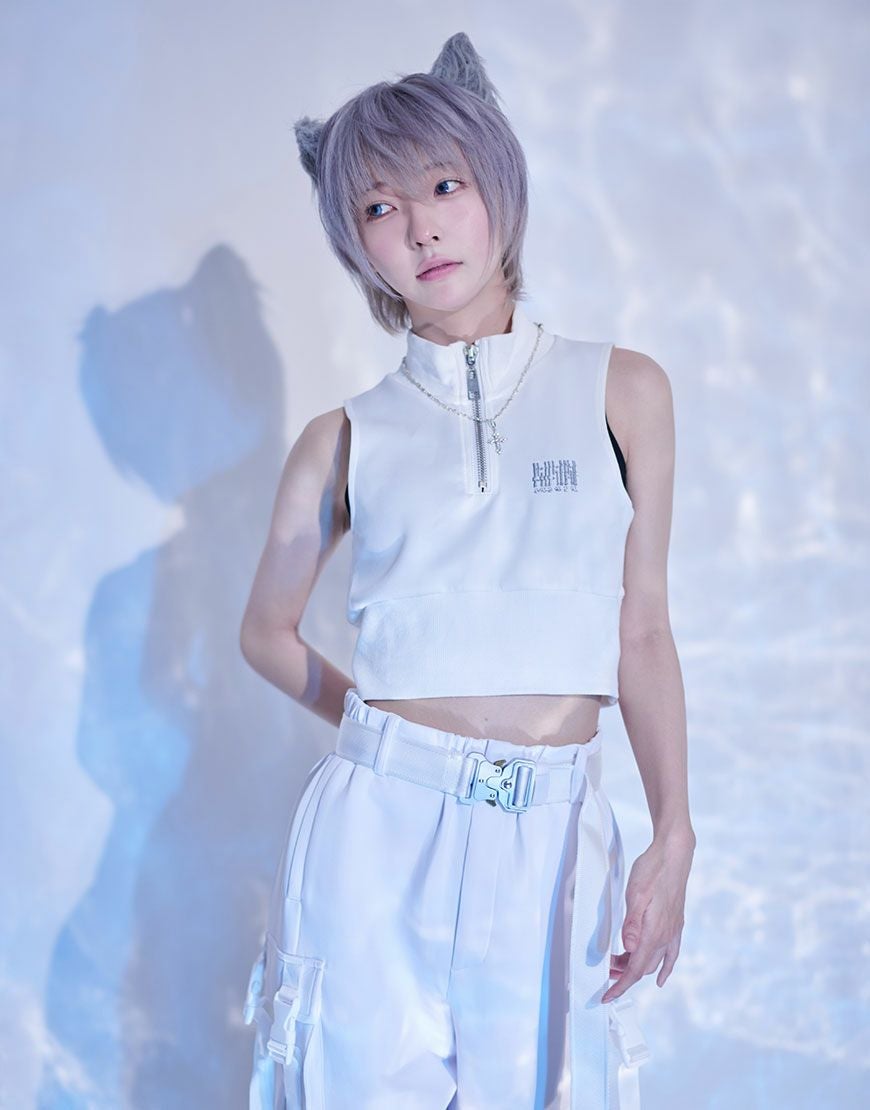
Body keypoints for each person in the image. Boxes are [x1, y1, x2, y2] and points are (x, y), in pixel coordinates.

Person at [239, 30, 695, 1110]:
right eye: (378, 206)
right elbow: (264, 632)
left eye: (445, 184)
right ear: (356, 245)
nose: (422, 226)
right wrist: (392, 741)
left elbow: (641, 630)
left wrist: (674, 828)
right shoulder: (342, 438)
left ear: (498, 186)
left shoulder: (623, 391)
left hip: (557, 835)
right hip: (375, 839)